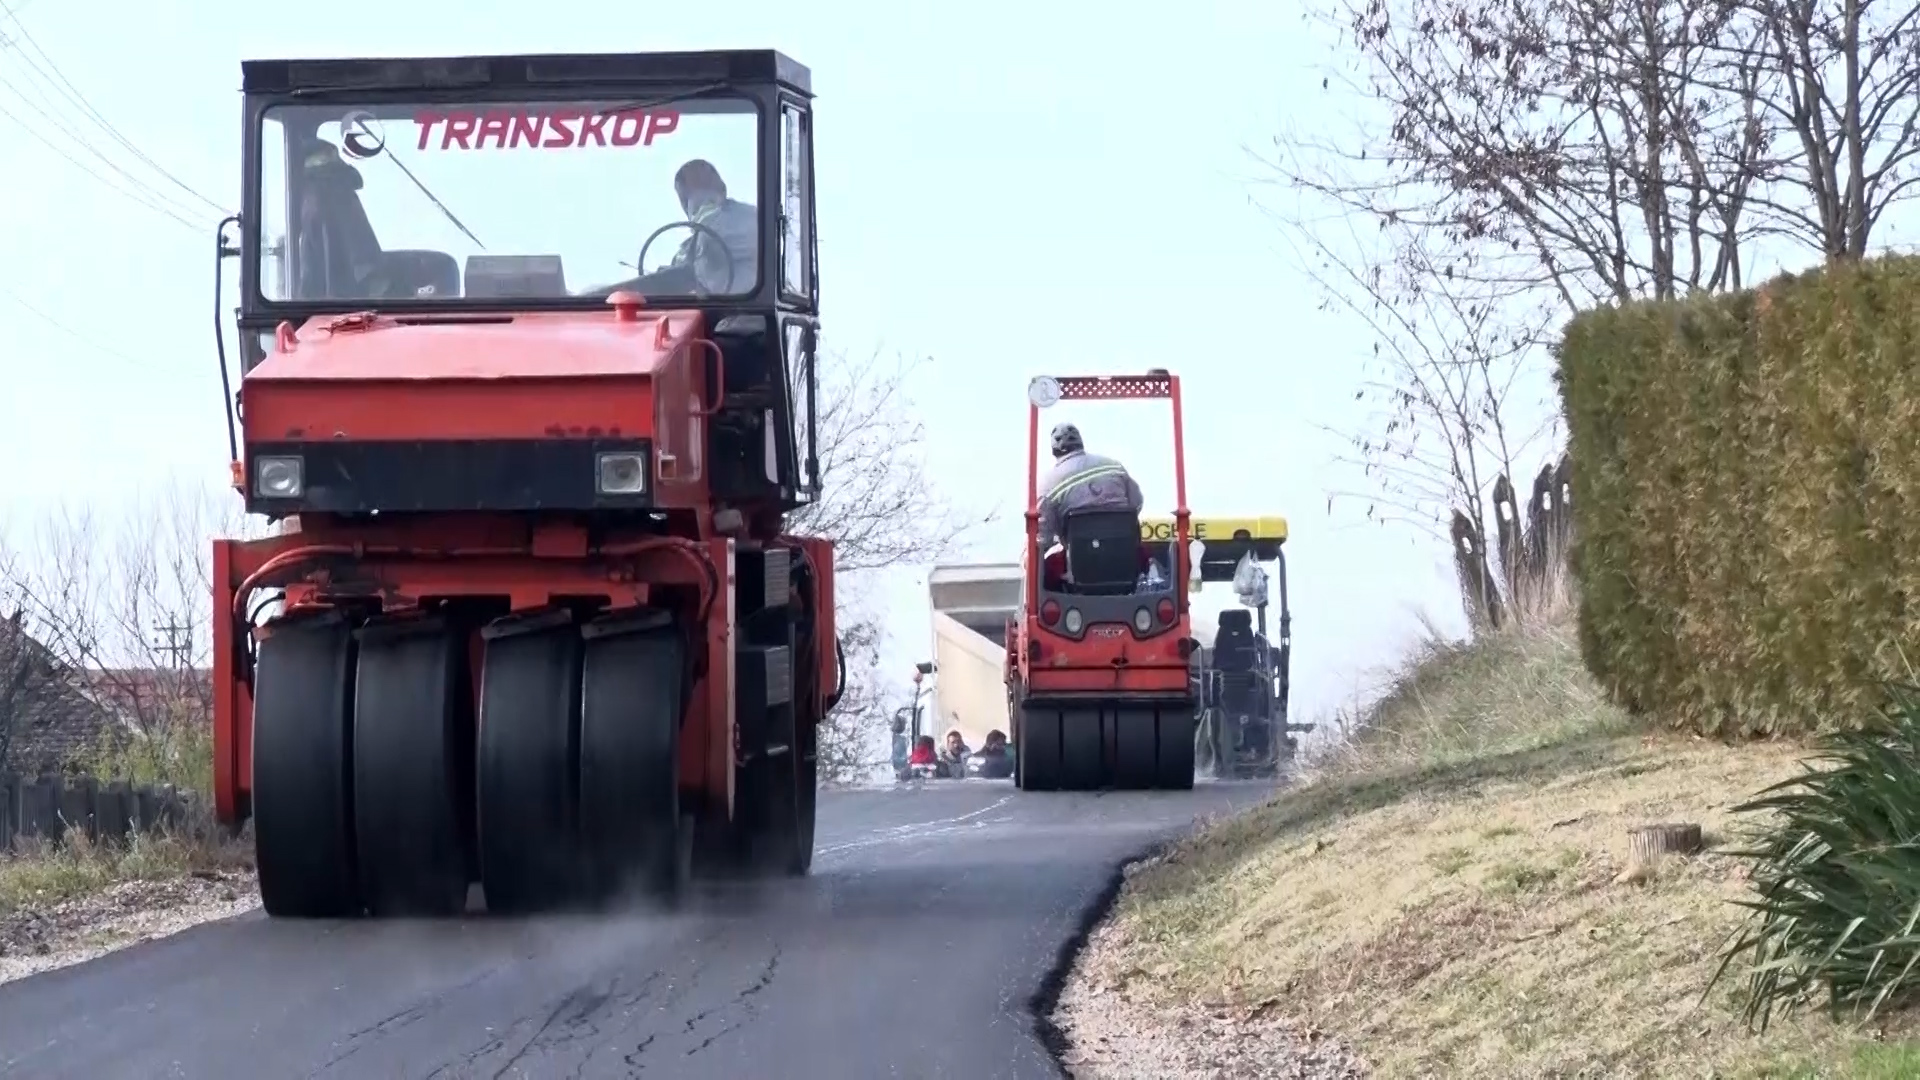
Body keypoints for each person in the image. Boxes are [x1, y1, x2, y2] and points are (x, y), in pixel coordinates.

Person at [1035, 423, 1146, 553]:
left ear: (1054, 450)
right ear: (1080, 443)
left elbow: (1042, 538)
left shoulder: (1048, 484)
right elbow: (1136, 502)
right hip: (1126, 559)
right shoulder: (1114, 466)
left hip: (1080, 567)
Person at [665, 159, 757, 294]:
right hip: (715, 311)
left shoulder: (750, 218)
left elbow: (708, 240)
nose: (689, 206)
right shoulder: (689, 249)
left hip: (751, 309)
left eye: (690, 196)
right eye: (685, 200)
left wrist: (701, 203)